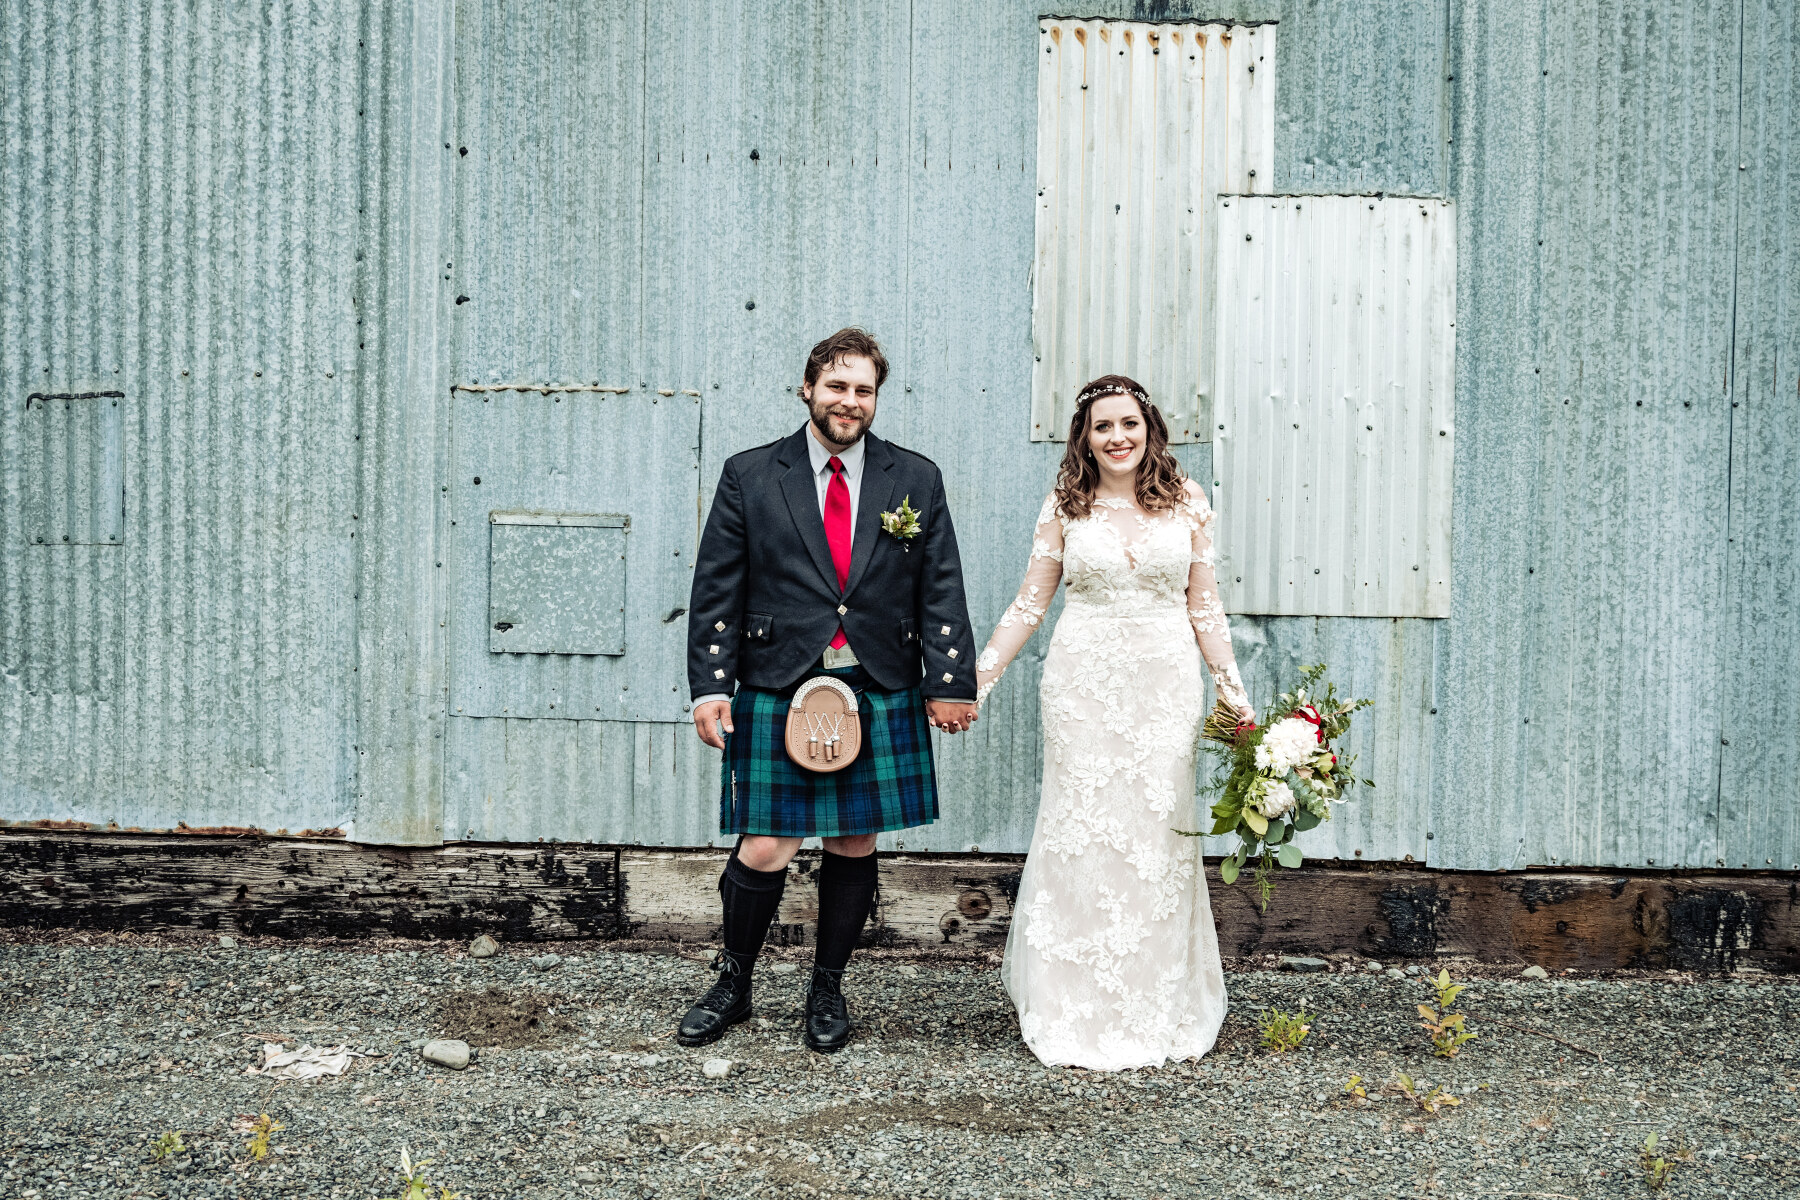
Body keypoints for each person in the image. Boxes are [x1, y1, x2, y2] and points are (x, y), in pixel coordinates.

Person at [680, 327, 981, 1054]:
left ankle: (827, 986)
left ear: (876, 398)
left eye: (864, 390)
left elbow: (941, 586)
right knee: (767, 845)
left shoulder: (914, 478)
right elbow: (717, 587)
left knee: (853, 840)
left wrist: (949, 681)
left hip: (874, 678)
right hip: (779, 677)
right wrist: (708, 688)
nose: (850, 402)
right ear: (808, 389)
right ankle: (735, 982)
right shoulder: (751, 474)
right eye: (838, 386)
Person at [974, 374, 1256, 1071]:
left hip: (1163, 686)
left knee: (1156, 834)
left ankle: (1155, 999)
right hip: (1081, 684)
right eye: (1103, 427)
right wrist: (976, 678)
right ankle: (1073, 998)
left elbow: (1205, 609)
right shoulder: (1065, 504)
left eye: (1128, 423)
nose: (1118, 437)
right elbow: (1027, 606)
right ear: (1085, 437)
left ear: (1148, 428)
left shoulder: (1189, 502)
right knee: (1083, 828)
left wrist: (1233, 692)